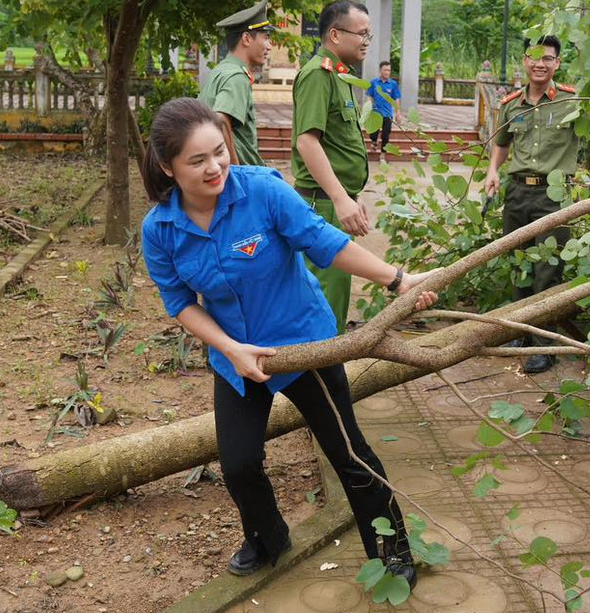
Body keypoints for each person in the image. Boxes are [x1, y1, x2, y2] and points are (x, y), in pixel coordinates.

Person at [140, 97, 435, 585]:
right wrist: (230, 349)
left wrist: (397, 279)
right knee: (237, 464)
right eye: (197, 160)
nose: (215, 167)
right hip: (238, 356)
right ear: (169, 168)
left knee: (348, 453)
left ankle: (391, 548)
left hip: (302, 346)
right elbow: (181, 303)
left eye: (219, 151)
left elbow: (325, 241)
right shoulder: (161, 229)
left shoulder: (263, 192)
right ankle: (267, 538)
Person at [483, 36, 580, 374]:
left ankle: (545, 346)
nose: (540, 64)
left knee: (548, 271)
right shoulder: (511, 104)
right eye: (534, 58)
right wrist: (493, 172)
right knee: (519, 266)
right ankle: (520, 333)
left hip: (554, 198)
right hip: (517, 194)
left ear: (557, 63)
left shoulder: (573, 102)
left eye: (548, 59)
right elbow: (502, 144)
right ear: (525, 61)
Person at [291, 0, 373, 333]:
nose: (366, 42)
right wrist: (340, 198)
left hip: (335, 202)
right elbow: (307, 141)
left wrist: (351, 194)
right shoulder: (317, 74)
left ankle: (326, 374)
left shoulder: (340, 76)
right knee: (324, 300)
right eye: (362, 34)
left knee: (334, 297)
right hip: (322, 207)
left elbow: (337, 145)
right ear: (336, 35)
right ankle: (323, 377)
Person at [199, 0, 274, 166]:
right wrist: (235, 171)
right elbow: (220, 120)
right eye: (266, 37)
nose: (269, 46)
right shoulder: (236, 76)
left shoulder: (221, 70)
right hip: (239, 177)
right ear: (246, 39)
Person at [366, 60, 400, 155]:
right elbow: (369, 95)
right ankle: (374, 142)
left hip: (387, 114)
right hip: (375, 113)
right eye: (385, 70)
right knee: (373, 133)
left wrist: (398, 113)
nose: (387, 72)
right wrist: (368, 108)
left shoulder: (393, 84)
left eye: (388, 70)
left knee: (385, 136)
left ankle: (383, 155)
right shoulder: (374, 83)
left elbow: (396, 99)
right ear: (380, 71)